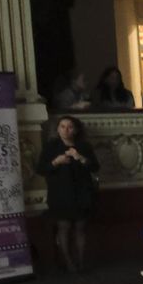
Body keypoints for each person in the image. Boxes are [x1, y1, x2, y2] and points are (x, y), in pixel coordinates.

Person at [35, 116, 99, 272]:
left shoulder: (83, 146)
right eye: (62, 126)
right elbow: (40, 169)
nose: (65, 130)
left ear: (76, 130)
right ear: (57, 129)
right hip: (60, 193)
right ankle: (69, 262)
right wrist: (56, 162)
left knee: (80, 227)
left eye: (69, 127)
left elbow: (95, 167)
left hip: (82, 192)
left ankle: (81, 261)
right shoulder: (51, 147)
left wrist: (80, 158)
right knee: (64, 227)